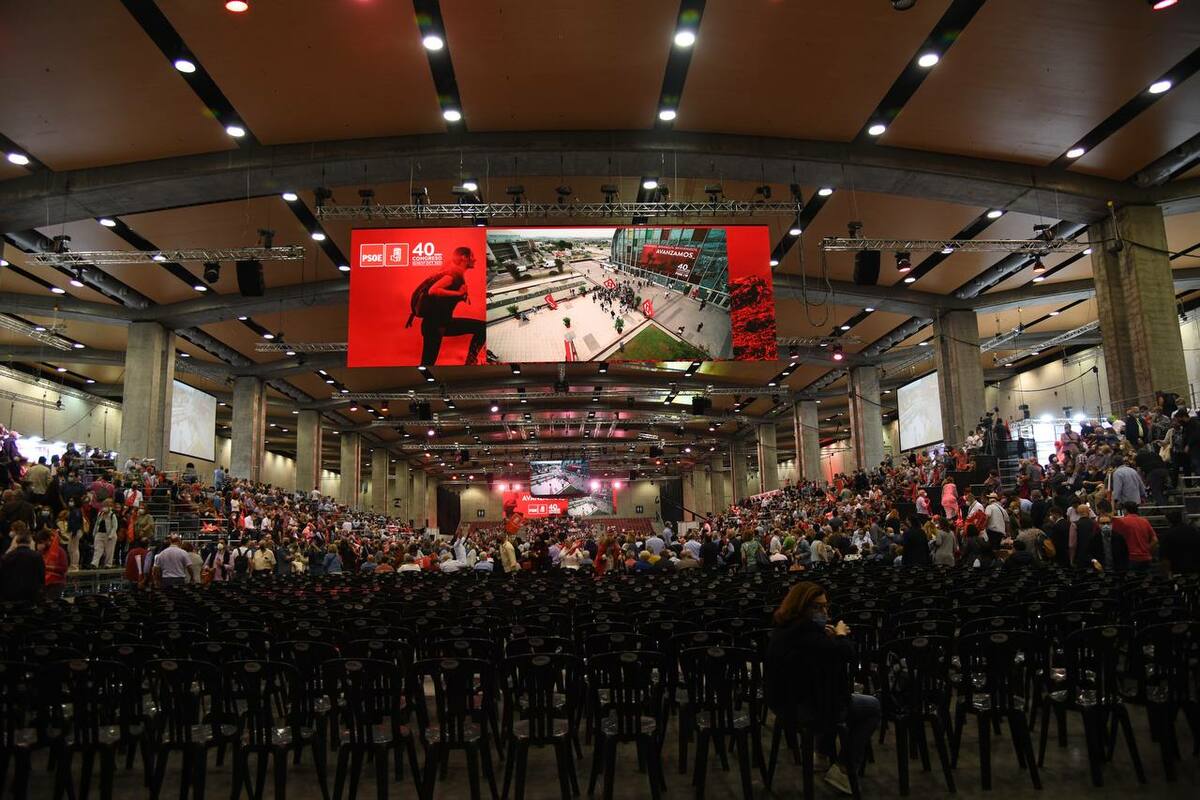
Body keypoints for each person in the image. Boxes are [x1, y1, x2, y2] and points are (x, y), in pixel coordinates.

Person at [766, 582, 879, 795]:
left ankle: (822, 754)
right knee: (872, 706)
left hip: (784, 703)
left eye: (826, 607)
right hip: (807, 707)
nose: (824, 612)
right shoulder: (808, 635)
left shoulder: (785, 629)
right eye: (818, 607)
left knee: (832, 696)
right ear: (802, 607)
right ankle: (844, 769)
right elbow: (845, 654)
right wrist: (841, 634)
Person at [417, 246, 486, 365]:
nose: (475, 260)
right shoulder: (452, 275)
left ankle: (470, 361)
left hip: (443, 323)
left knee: (482, 327)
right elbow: (433, 290)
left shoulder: (457, 274)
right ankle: (470, 362)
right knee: (428, 363)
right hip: (434, 326)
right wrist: (458, 293)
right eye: (472, 256)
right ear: (464, 257)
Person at [0, 526, 43, 602]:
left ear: (16, 541)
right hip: (31, 592)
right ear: (30, 541)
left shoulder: (7, 556)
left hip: (11, 592)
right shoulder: (37, 556)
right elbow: (41, 575)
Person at [1112, 502, 1157, 572]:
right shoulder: (1145, 521)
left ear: (1125, 510)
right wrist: (1147, 549)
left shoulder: (1122, 521)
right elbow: (1155, 540)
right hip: (1146, 558)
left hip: (1130, 558)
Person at [1159, 509, 1200, 575]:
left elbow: (1165, 559)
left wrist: (1167, 575)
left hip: (1178, 572)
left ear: (1168, 521)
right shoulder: (1193, 531)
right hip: (1195, 571)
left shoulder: (1167, 535)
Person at [34, 528, 67, 599]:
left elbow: (63, 569)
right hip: (43, 583)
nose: (40, 544)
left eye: (42, 542)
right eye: (39, 542)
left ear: (48, 540)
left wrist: (46, 567)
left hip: (56, 583)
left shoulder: (59, 551)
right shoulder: (39, 553)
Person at [90, 499, 121, 569]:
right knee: (98, 549)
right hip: (100, 534)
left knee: (109, 551)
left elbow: (115, 526)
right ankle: (94, 563)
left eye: (106, 506)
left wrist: (111, 535)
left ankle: (108, 564)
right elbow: (97, 524)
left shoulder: (112, 515)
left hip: (109, 535)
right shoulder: (100, 514)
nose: (104, 507)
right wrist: (94, 533)